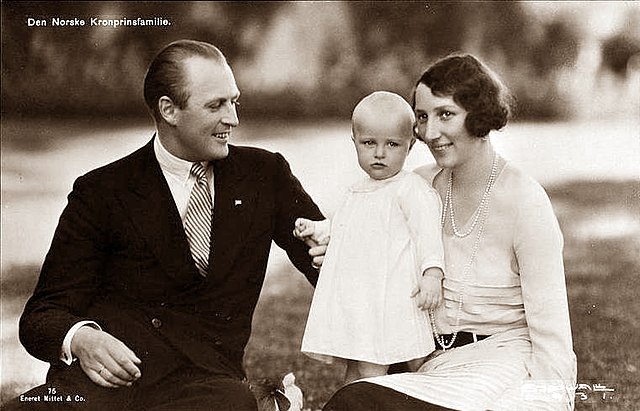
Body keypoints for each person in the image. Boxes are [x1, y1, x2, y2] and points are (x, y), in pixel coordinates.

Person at [6, 39, 326, 411]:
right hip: (102, 385)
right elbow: (41, 316)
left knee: (231, 402)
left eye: (233, 101)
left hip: (204, 389)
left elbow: (331, 267)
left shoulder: (265, 175)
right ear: (169, 110)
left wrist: (331, 254)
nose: (233, 119)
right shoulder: (102, 190)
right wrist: (80, 339)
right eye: (216, 105)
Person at [323, 54, 577, 410]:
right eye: (423, 117)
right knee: (354, 399)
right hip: (428, 361)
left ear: (480, 113)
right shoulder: (416, 186)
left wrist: (548, 400)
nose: (429, 133)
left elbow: (552, 333)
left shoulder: (525, 200)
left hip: (500, 363)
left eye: (445, 115)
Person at [294, 91, 445, 384]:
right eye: (369, 143)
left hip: (397, 297)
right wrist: (317, 229)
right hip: (363, 298)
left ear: (410, 145)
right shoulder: (356, 190)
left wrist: (433, 273)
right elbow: (344, 228)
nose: (379, 153)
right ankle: (355, 400)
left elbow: (428, 234)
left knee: (414, 360)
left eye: (392, 144)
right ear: (355, 142)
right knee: (363, 363)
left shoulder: (410, 189)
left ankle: (435, 396)